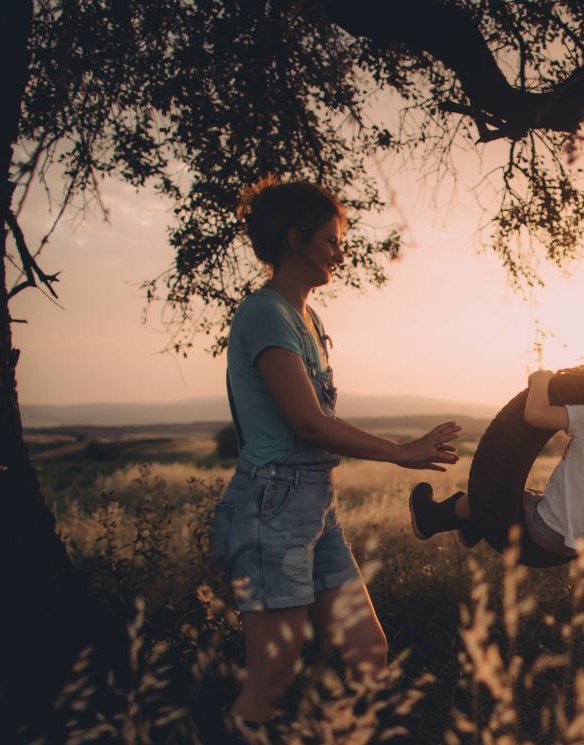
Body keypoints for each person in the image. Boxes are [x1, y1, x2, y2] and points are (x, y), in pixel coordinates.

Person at [208, 177, 462, 730]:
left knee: (368, 653)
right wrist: (400, 453)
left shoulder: (307, 318)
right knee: (271, 678)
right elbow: (307, 422)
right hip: (271, 505)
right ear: (296, 240)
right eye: (330, 241)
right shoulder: (265, 314)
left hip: (313, 508)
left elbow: (317, 421)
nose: (339, 255)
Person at [408, 361, 584, 562]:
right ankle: (473, 527)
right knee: (525, 498)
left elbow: (535, 415)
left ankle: (431, 518)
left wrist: (541, 379)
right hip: (582, 543)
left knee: (487, 494)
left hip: (545, 531)